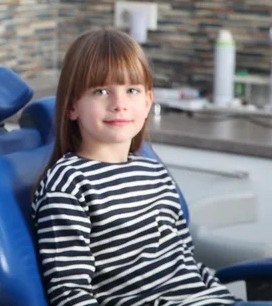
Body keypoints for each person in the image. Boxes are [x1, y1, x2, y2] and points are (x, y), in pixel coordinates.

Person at [31, 29, 235, 305]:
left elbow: (185, 262)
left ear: (148, 101)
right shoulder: (68, 185)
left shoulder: (155, 172)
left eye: (132, 90)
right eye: (101, 91)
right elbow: (70, 295)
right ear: (72, 106)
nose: (119, 104)